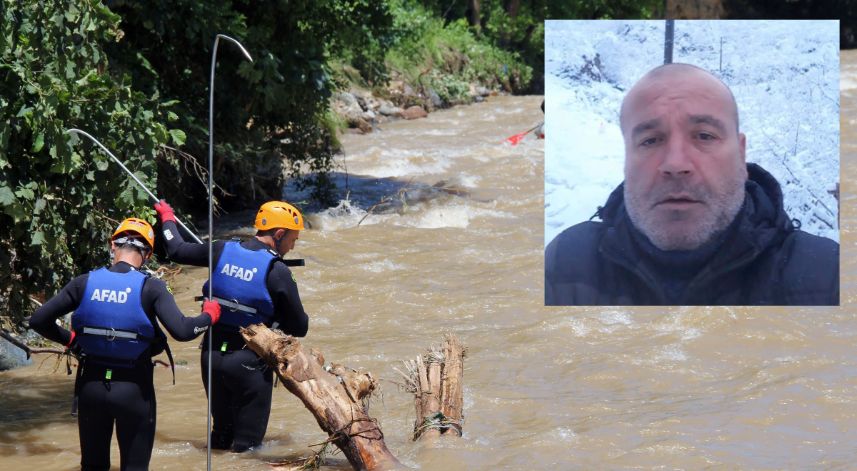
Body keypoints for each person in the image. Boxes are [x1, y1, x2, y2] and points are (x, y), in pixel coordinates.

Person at [545, 63, 839, 306]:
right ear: (626, 158)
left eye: (704, 136)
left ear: (741, 154)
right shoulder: (565, 267)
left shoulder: (828, 275)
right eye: (650, 140)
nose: (675, 164)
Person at [29, 217, 221, 471]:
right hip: (133, 390)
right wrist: (209, 315)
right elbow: (183, 331)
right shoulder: (151, 287)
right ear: (148, 255)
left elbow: (39, 320)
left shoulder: (84, 282)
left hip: (91, 387)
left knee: (93, 466)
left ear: (113, 246)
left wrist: (73, 341)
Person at [153, 199, 309, 452]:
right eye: (293, 239)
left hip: (211, 357)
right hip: (249, 362)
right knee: (247, 451)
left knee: (220, 438)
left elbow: (176, 249)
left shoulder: (221, 249)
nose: (292, 246)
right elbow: (300, 326)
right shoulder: (277, 270)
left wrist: (168, 216)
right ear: (279, 234)